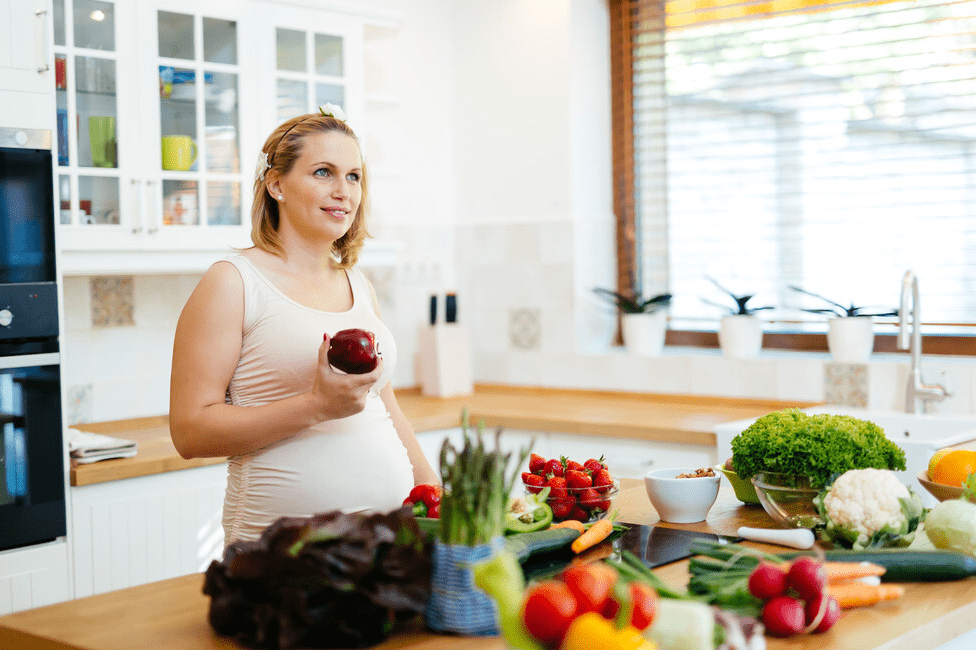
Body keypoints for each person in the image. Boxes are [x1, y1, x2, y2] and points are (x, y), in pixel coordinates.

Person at [169, 104, 438, 545]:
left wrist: (431, 488)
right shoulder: (233, 282)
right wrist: (315, 405)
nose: (344, 191)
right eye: (323, 173)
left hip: (385, 544)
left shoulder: (357, 283)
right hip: (281, 555)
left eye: (354, 176)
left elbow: (384, 405)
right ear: (276, 184)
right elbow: (189, 431)